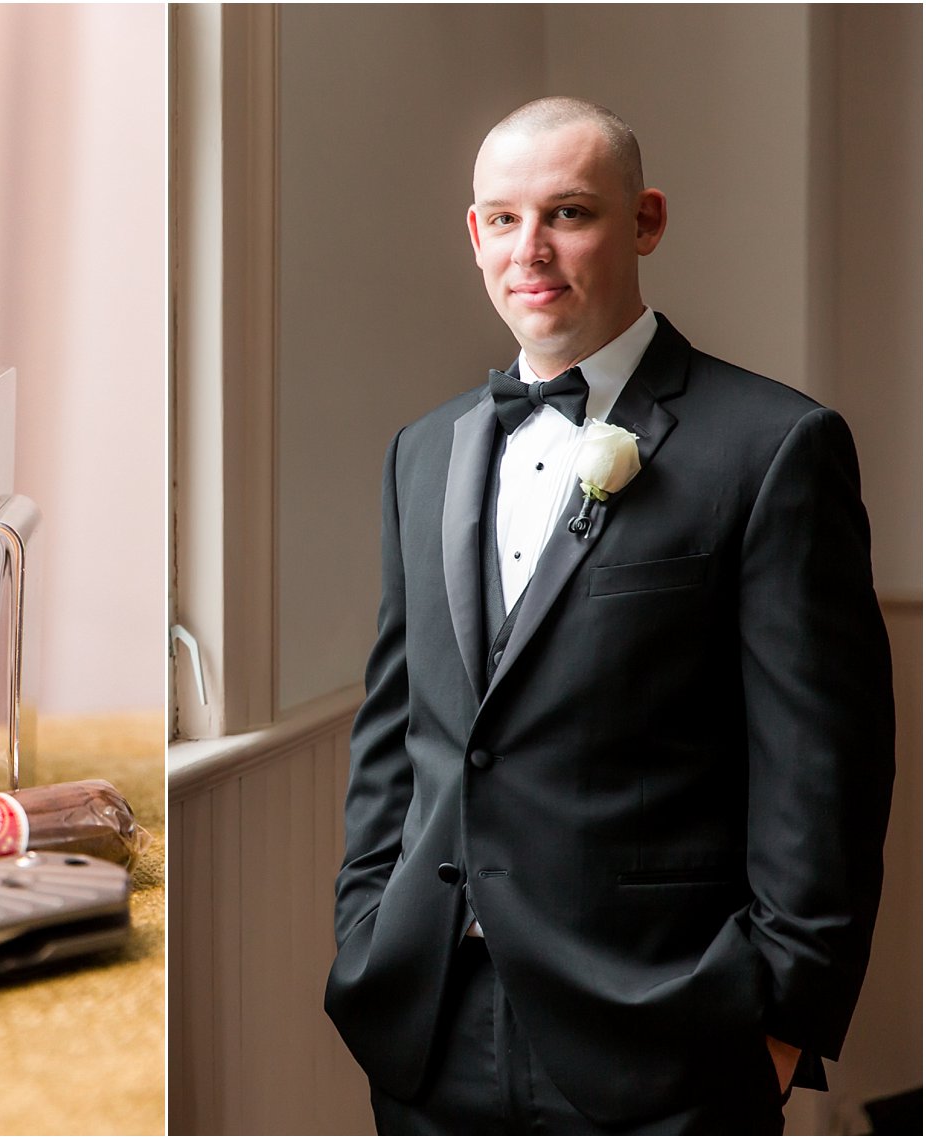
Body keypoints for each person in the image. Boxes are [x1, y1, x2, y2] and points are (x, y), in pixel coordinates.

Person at [323, 96, 895, 1135]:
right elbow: (396, 734)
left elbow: (824, 771)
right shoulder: (424, 449)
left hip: (666, 1033)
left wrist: (776, 1019)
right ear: (473, 234)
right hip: (428, 1022)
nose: (527, 249)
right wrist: (364, 931)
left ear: (644, 221)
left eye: (568, 213)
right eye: (501, 219)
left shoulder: (771, 445)